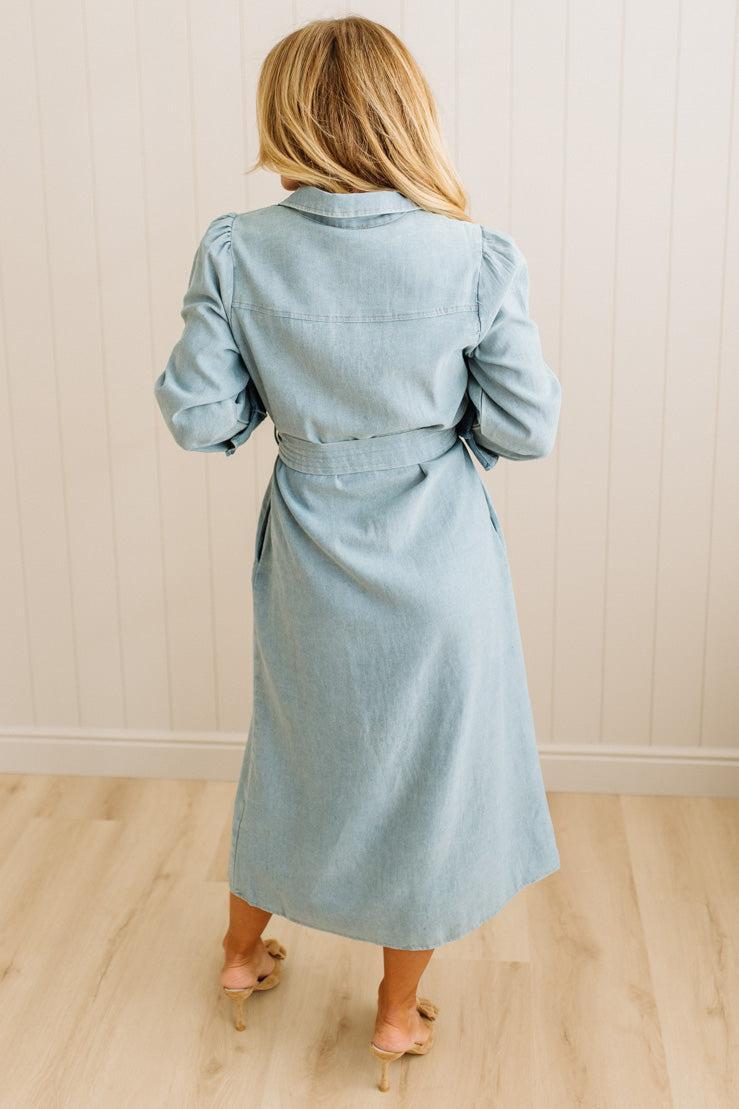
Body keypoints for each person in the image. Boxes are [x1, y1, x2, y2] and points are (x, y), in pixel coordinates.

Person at [153, 14, 562, 1093]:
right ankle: (392, 1017)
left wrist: (281, 406)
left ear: (283, 116)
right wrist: (433, 433)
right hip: (439, 559)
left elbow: (198, 417)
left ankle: (241, 956)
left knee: (293, 750)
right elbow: (526, 426)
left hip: (309, 551)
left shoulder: (239, 248)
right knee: (428, 778)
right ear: (405, 114)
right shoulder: (472, 253)